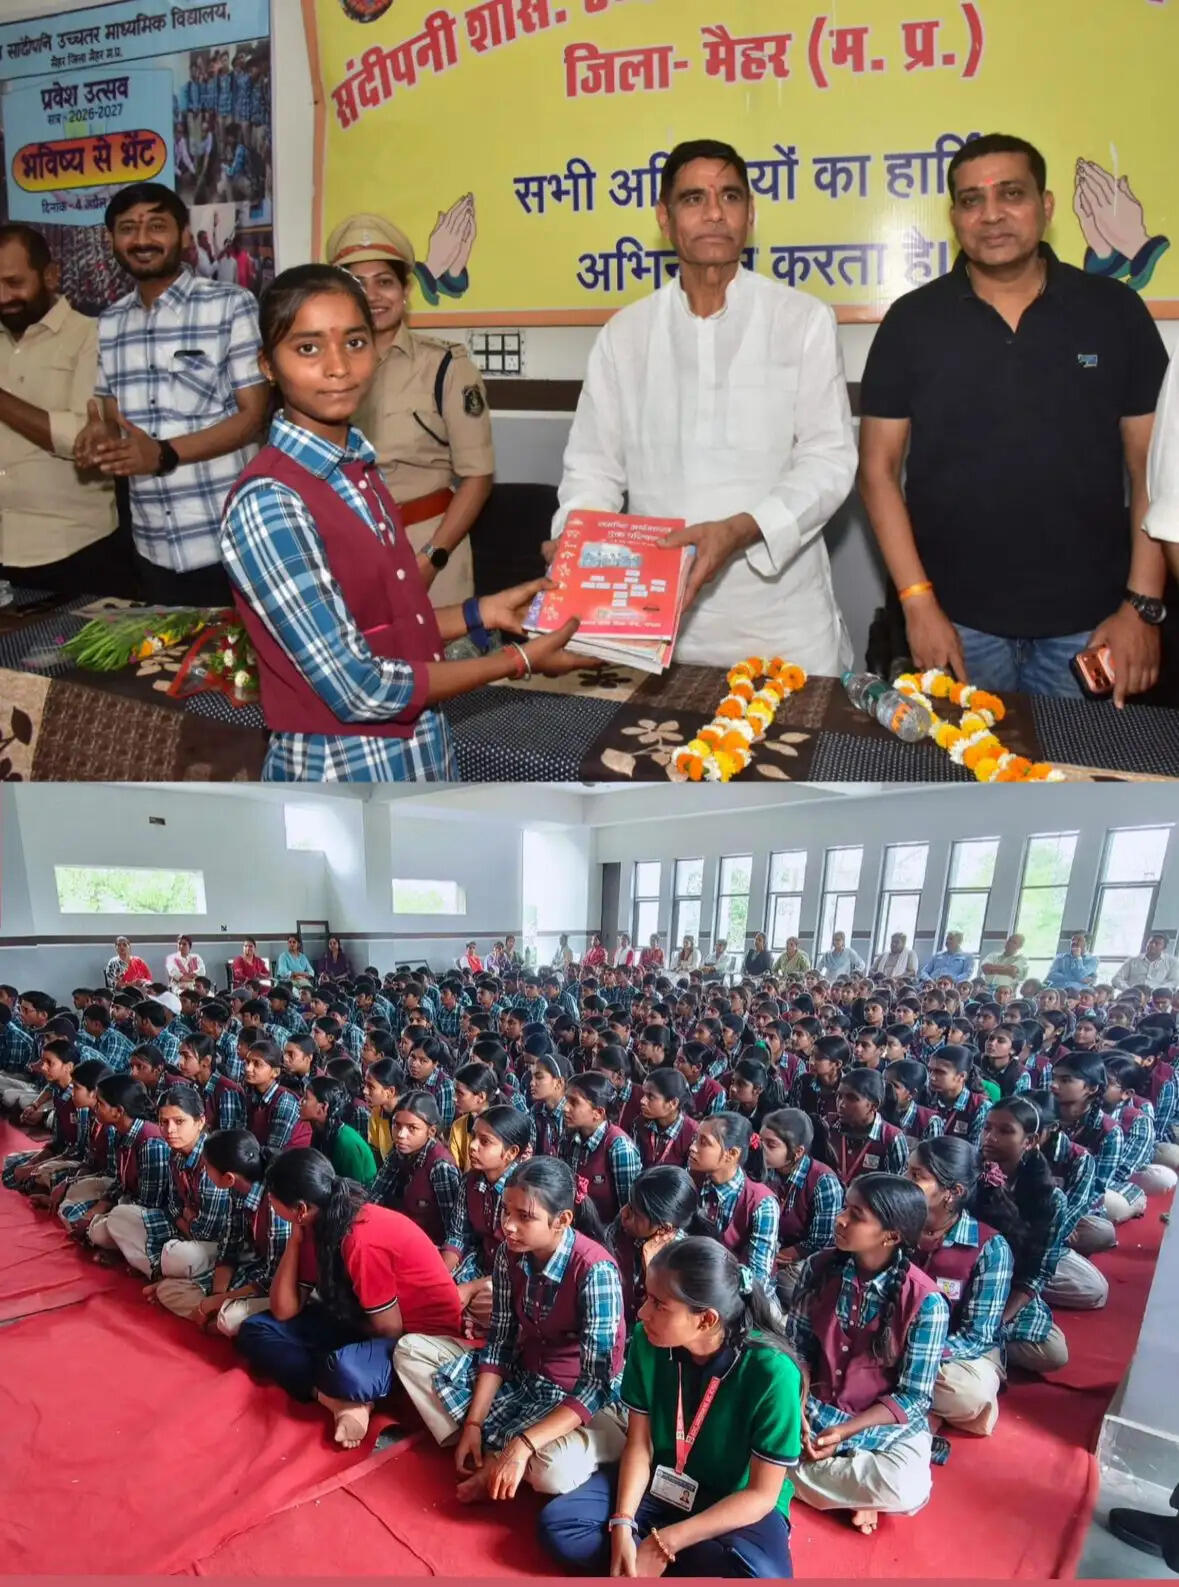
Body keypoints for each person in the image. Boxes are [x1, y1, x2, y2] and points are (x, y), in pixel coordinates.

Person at [220, 265, 591, 780]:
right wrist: (518, 662)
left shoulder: (355, 471)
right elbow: (357, 686)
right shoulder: (271, 501)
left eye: (354, 342)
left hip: (419, 754)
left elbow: (374, 633)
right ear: (267, 364)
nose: (338, 367)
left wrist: (481, 613)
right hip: (344, 772)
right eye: (308, 348)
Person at [859, 133, 1169, 705]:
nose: (992, 214)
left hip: (1093, 624)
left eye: (1011, 193)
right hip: (955, 624)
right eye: (972, 200)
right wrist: (918, 603)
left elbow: (1157, 470)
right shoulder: (911, 323)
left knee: (1080, 787)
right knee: (962, 786)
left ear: (1046, 206)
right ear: (954, 216)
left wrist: (1142, 607)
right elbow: (877, 472)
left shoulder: (1114, 312)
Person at [552, 137, 856, 671]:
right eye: (694, 199)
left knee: (803, 757)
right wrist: (576, 547)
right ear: (664, 220)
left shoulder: (802, 319)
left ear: (750, 214)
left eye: (730, 196)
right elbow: (593, 471)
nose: (715, 213)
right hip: (657, 624)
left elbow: (829, 460)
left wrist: (739, 529)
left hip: (784, 624)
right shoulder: (624, 334)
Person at [538, 1237, 800, 1578]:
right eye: (647, 1297)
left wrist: (667, 1542)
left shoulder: (773, 1372)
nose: (643, 1312)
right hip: (660, 1481)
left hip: (733, 1500)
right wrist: (621, 1524)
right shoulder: (649, 1342)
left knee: (762, 1576)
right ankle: (660, 1559)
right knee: (560, 1528)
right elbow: (639, 1444)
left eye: (659, 1304)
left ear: (706, 1320)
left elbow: (761, 1495)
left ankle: (653, 1556)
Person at [72, 183, 268, 604]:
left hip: (231, 541)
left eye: (156, 226)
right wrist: (100, 435)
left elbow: (253, 417)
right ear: (112, 241)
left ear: (183, 235)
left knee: (239, 669)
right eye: (128, 228)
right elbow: (112, 417)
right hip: (151, 547)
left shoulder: (231, 305)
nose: (142, 240)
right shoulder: (109, 323)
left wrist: (163, 454)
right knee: (170, 669)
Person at [236, 1147, 463, 1448]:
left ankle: (342, 1389)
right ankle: (336, 1401)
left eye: (272, 1200)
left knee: (342, 1371)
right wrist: (294, 1242)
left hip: (414, 1341)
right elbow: (284, 1310)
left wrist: (335, 1332)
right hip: (361, 1322)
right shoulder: (313, 1224)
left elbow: (390, 1329)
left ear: (300, 1208)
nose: (270, 1206)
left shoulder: (360, 1239)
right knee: (255, 1330)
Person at [325, 214, 493, 608]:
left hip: (429, 550)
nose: (373, 296)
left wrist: (431, 560)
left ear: (405, 290)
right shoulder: (323, 371)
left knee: (440, 666)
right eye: (357, 285)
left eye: (384, 281)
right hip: (347, 553)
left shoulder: (447, 367)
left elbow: (478, 477)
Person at [784, 1173, 949, 1535]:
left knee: (906, 1486)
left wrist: (844, 1433)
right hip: (811, 1406)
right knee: (745, 1405)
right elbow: (796, 1349)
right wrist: (796, 1406)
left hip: (873, 1426)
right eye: (845, 1207)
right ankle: (844, 1489)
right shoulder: (818, 1268)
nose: (840, 1218)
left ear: (891, 1236)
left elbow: (914, 1398)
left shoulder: (927, 1302)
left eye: (856, 1215)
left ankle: (782, 1475)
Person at [0, 223, 122, 596]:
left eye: (14, 282)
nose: (3, 296)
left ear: (51, 275)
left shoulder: (94, 334)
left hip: (74, 551)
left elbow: (83, 437)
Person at [905, 1136, 1014, 1437]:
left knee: (967, 1393)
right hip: (891, 1334)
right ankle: (917, 1406)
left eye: (916, 1176)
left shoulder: (990, 1247)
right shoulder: (897, 1222)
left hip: (953, 1353)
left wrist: (916, 1349)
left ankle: (902, 1398)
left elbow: (977, 1336)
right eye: (907, 1171)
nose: (904, 1181)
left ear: (952, 1193)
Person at [101, 1082, 231, 1281]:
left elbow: (207, 1233)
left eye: (179, 1122)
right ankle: (158, 1269)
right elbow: (171, 1206)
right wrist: (184, 1217)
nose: (170, 1130)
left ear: (200, 1121)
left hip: (213, 1245)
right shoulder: (176, 1155)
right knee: (118, 1216)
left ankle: (157, 1266)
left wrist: (182, 1217)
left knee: (180, 1257)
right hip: (183, 1231)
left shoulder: (212, 1163)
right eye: (163, 1122)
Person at [689, 1112, 780, 1286]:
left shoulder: (762, 1204)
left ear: (731, 1154)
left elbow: (757, 1279)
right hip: (696, 1280)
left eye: (703, 1142)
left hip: (737, 1292)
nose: (693, 1147)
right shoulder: (692, 1180)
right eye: (695, 1139)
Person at [300, 1075, 377, 1185]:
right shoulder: (321, 1131)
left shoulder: (346, 1143)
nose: (300, 1102)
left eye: (305, 1099)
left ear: (323, 1107)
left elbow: (353, 1192)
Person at [1112, 932, 1179, 991]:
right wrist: (1129, 990)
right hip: (1133, 996)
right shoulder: (1133, 961)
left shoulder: (1172, 962)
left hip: (1157, 998)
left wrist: (1158, 990)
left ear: (1164, 948)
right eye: (1150, 942)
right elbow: (1116, 978)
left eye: (1157, 943)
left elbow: (1175, 981)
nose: (1152, 945)